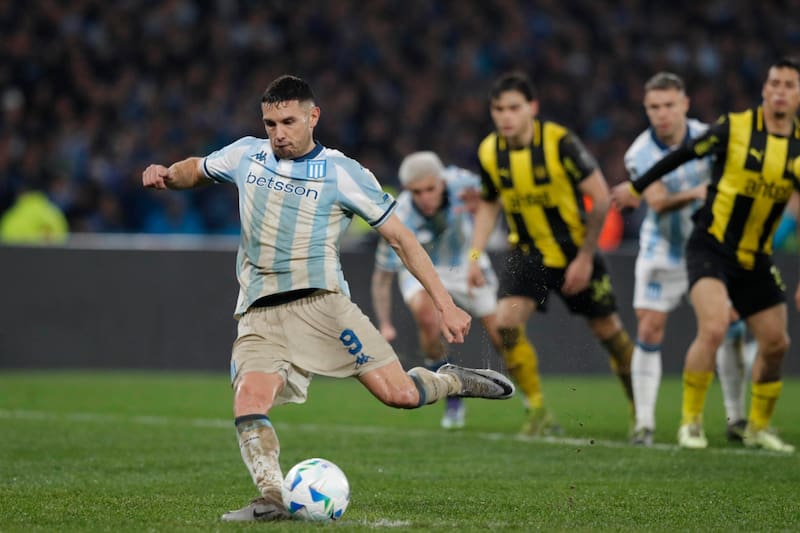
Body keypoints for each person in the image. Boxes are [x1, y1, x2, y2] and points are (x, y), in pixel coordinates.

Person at [141, 75, 515, 522]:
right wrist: (166, 174)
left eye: (289, 121)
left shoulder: (342, 172)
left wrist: (445, 303)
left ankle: (451, 379)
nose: (278, 132)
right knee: (249, 397)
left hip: (324, 307)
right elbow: (197, 169)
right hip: (260, 312)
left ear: (313, 117)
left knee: (399, 395)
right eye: (270, 123)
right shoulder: (246, 154)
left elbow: (402, 239)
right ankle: (273, 498)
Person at [612, 58, 800, 453]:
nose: (780, 91)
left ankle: (749, 424)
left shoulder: (792, 146)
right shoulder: (731, 130)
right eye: (774, 83)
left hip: (753, 256)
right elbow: (671, 177)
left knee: (775, 342)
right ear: (764, 89)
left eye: (789, 85)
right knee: (702, 327)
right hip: (697, 246)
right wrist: (638, 187)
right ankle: (679, 422)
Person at [467, 71, 636, 436]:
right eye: (498, 109)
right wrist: (475, 256)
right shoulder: (489, 151)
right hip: (527, 252)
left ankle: (642, 411)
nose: (505, 116)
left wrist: (586, 258)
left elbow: (601, 198)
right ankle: (538, 410)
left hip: (575, 251)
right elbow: (488, 204)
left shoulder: (560, 143)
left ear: (532, 108)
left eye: (514, 108)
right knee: (506, 325)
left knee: (611, 334)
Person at [623, 72, 756, 446]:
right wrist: (700, 190)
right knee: (649, 328)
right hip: (662, 250)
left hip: (709, 247)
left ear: (685, 104)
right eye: (653, 107)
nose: (662, 114)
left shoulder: (711, 137)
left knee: (730, 327)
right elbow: (658, 201)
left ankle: (736, 418)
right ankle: (644, 424)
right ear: (646, 109)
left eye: (668, 105)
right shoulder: (638, 153)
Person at [372, 151, 539, 430]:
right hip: (423, 271)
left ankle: (532, 399)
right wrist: (385, 322)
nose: (424, 197)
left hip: (467, 263)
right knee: (426, 318)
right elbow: (382, 276)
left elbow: (496, 200)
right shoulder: (398, 216)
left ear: (442, 181)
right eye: (416, 192)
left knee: (501, 335)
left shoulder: (464, 183)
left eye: (430, 189)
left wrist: (484, 206)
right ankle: (451, 398)